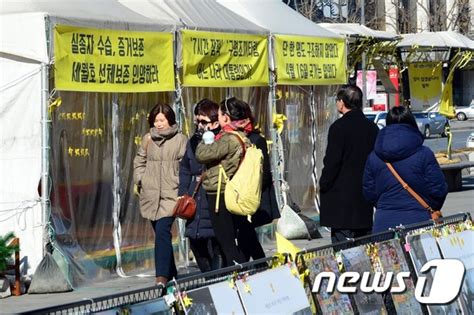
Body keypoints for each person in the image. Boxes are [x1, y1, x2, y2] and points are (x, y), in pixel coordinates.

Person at [195, 97, 263, 266]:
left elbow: (202, 155)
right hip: (230, 191)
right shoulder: (241, 135)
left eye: (218, 114)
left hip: (219, 193)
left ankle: (238, 277)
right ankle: (248, 270)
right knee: (235, 239)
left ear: (225, 117)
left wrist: (204, 138)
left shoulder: (228, 139)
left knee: (227, 242)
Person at [363, 106, 448, 233]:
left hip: (384, 223)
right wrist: (430, 206)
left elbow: (368, 192)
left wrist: (384, 206)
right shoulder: (424, 153)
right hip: (420, 221)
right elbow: (438, 188)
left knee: (387, 253)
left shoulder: (374, 157)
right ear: (412, 123)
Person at [133, 104, 187, 286]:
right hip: (150, 193)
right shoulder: (148, 139)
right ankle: (171, 273)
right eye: (156, 120)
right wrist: (141, 179)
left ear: (170, 120)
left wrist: (181, 185)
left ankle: (161, 277)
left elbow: (185, 165)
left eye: (162, 120)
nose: (159, 124)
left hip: (171, 193)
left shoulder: (180, 139)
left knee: (163, 231)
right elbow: (139, 160)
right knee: (161, 233)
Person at [319, 85, 379, 243]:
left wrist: (324, 184)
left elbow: (332, 162)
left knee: (343, 251)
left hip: (341, 199)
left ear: (341, 103)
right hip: (364, 197)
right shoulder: (372, 128)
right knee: (365, 248)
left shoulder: (338, 128)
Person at [178, 99, 223, 272]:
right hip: (195, 197)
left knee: (215, 244)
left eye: (204, 122)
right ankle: (208, 279)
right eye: (197, 121)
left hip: (214, 195)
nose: (199, 126)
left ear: (215, 122)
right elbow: (185, 168)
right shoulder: (193, 141)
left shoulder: (222, 140)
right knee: (196, 242)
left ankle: (218, 280)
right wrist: (183, 192)